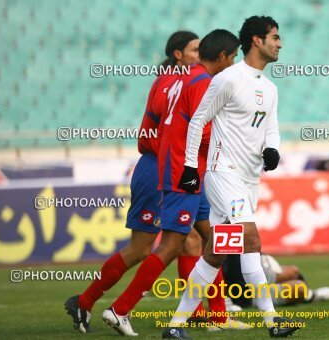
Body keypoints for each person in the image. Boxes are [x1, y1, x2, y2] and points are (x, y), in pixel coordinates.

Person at [163, 16, 301, 339]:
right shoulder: (228, 79)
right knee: (251, 239)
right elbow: (197, 122)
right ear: (257, 40)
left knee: (216, 252)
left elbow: (273, 128)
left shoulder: (269, 88)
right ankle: (272, 322)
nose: (280, 44)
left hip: (250, 179)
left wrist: (272, 150)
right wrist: (189, 168)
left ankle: (175, 327)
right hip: (222, 173)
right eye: (275, 37)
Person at [102, 29, 243, 336]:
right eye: (233, 57)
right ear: (222, 57)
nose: (234, 63)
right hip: (186, 171)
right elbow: (199, 130)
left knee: (217, 238)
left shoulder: (182, 78)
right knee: (171, 245)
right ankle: (120, 309)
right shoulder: (203, 83)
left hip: (187, 168)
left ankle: (219, 316)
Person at [64, 31, 207, 333]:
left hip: (168, 167)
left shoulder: (174, 82)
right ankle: (91, 301)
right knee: (145, 248)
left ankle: (194, 313)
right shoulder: (172, 83)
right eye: (195, 50)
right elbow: (148, 134)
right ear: (178, 55)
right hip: (160, 169)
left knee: (190, 241)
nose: (200, 54)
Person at [223, 254, 329, 308]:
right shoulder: (218, 221)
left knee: (294, 271)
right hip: (244, 292)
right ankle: (310, 297)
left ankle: (309, 295)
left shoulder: (239, 216)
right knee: (300, 288)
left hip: (251, 269)